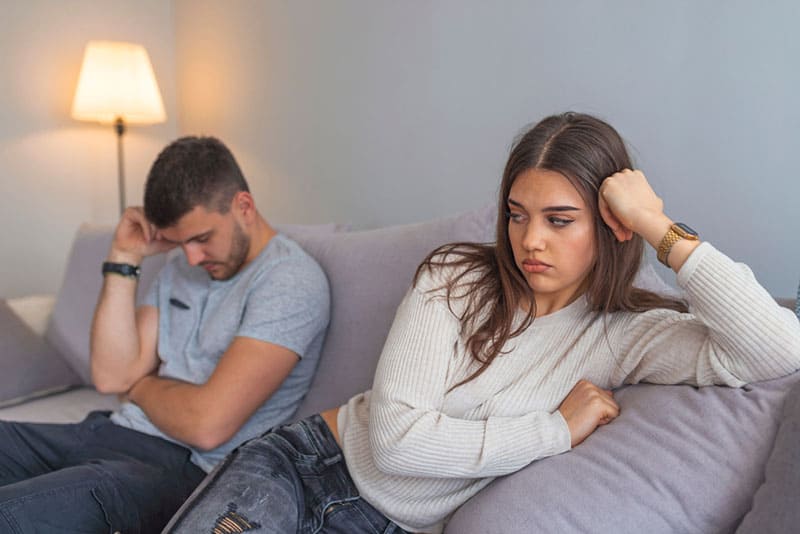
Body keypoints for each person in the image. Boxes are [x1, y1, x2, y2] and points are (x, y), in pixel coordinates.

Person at [163, 113, 800, 534]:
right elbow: (395, 442)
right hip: (303, 468)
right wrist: (553, 429)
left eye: (559, 219)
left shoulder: (628, 332)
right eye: (517, 214)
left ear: (611, 225)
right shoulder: (454, 279)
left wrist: (661, 227)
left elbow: (779, 349)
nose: (531, 240)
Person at [0, 136, 331, 532]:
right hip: (107, 429)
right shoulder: (181, 266)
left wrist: (140, 387)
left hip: (177, 468)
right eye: (179, 242)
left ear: (244, 206)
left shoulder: (290, 281)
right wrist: (124, 257)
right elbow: (111, 376)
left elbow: (207, 426)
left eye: (201, 238)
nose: (191, 257)